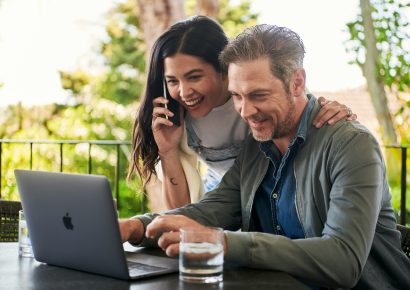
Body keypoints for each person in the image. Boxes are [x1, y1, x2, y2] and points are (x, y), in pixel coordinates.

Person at [120, 24, 410, 289]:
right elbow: (210, 210)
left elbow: (344, 262)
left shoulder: (350, 145)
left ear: (297, 83)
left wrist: (222, 242)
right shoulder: (257, 145)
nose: (245, 111)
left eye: (258, 95)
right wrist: (136, 226)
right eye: (236, 96)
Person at [128, 15, 356, 210]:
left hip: (275, 193)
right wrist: (167, 151)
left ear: (223, 70)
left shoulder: (257, 92)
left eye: (194, 77)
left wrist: (334, 112)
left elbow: (303, 106)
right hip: (221, 194)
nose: (184, 92)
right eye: (172, 81)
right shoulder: (175, 118)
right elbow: (180, 212)